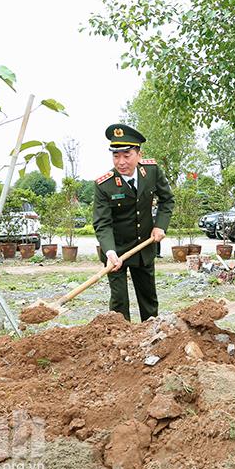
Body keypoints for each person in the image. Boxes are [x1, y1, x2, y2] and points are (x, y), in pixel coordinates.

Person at [93, 123, 174, 321]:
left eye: (126, 155)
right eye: (115, 156)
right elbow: (102, 223)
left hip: (144, 247)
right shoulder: (104, 184)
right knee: (119, 301)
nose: (120, 162)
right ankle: (122, 340)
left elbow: (167, 200)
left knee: (148, 299)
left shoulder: (152, 171)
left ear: (138, 154)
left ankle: (152, 336)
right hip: (116, 251)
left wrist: (160, 225)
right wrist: (110, 252)